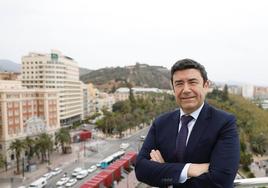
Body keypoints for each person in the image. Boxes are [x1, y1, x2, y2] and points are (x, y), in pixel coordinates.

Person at [135, 58, 240, 188]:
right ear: (173, 88)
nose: (186, 90)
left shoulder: (224, 123)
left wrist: (166, 176)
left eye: (192, 82)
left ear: (205, 86)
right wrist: (189, 170)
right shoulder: (161, 123)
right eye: (179, 83)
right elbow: (140, 170)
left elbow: (221, 180)